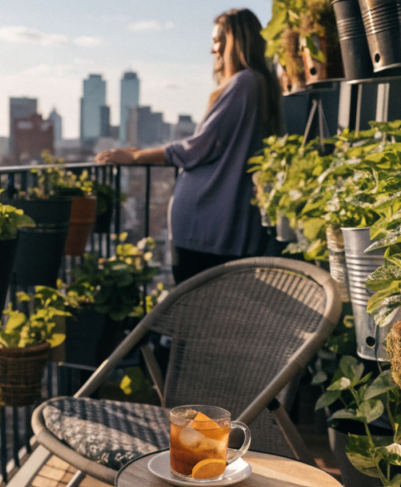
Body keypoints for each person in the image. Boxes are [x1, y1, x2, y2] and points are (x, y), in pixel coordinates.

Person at [95, 8, 283, 284]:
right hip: (223, 224)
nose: (212, 50)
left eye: (217, 40)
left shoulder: (244, 83)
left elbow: (199, 147)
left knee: (195, 302)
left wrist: (136, 156)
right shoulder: (262, 84)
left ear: (235, 41)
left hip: (207, 225)